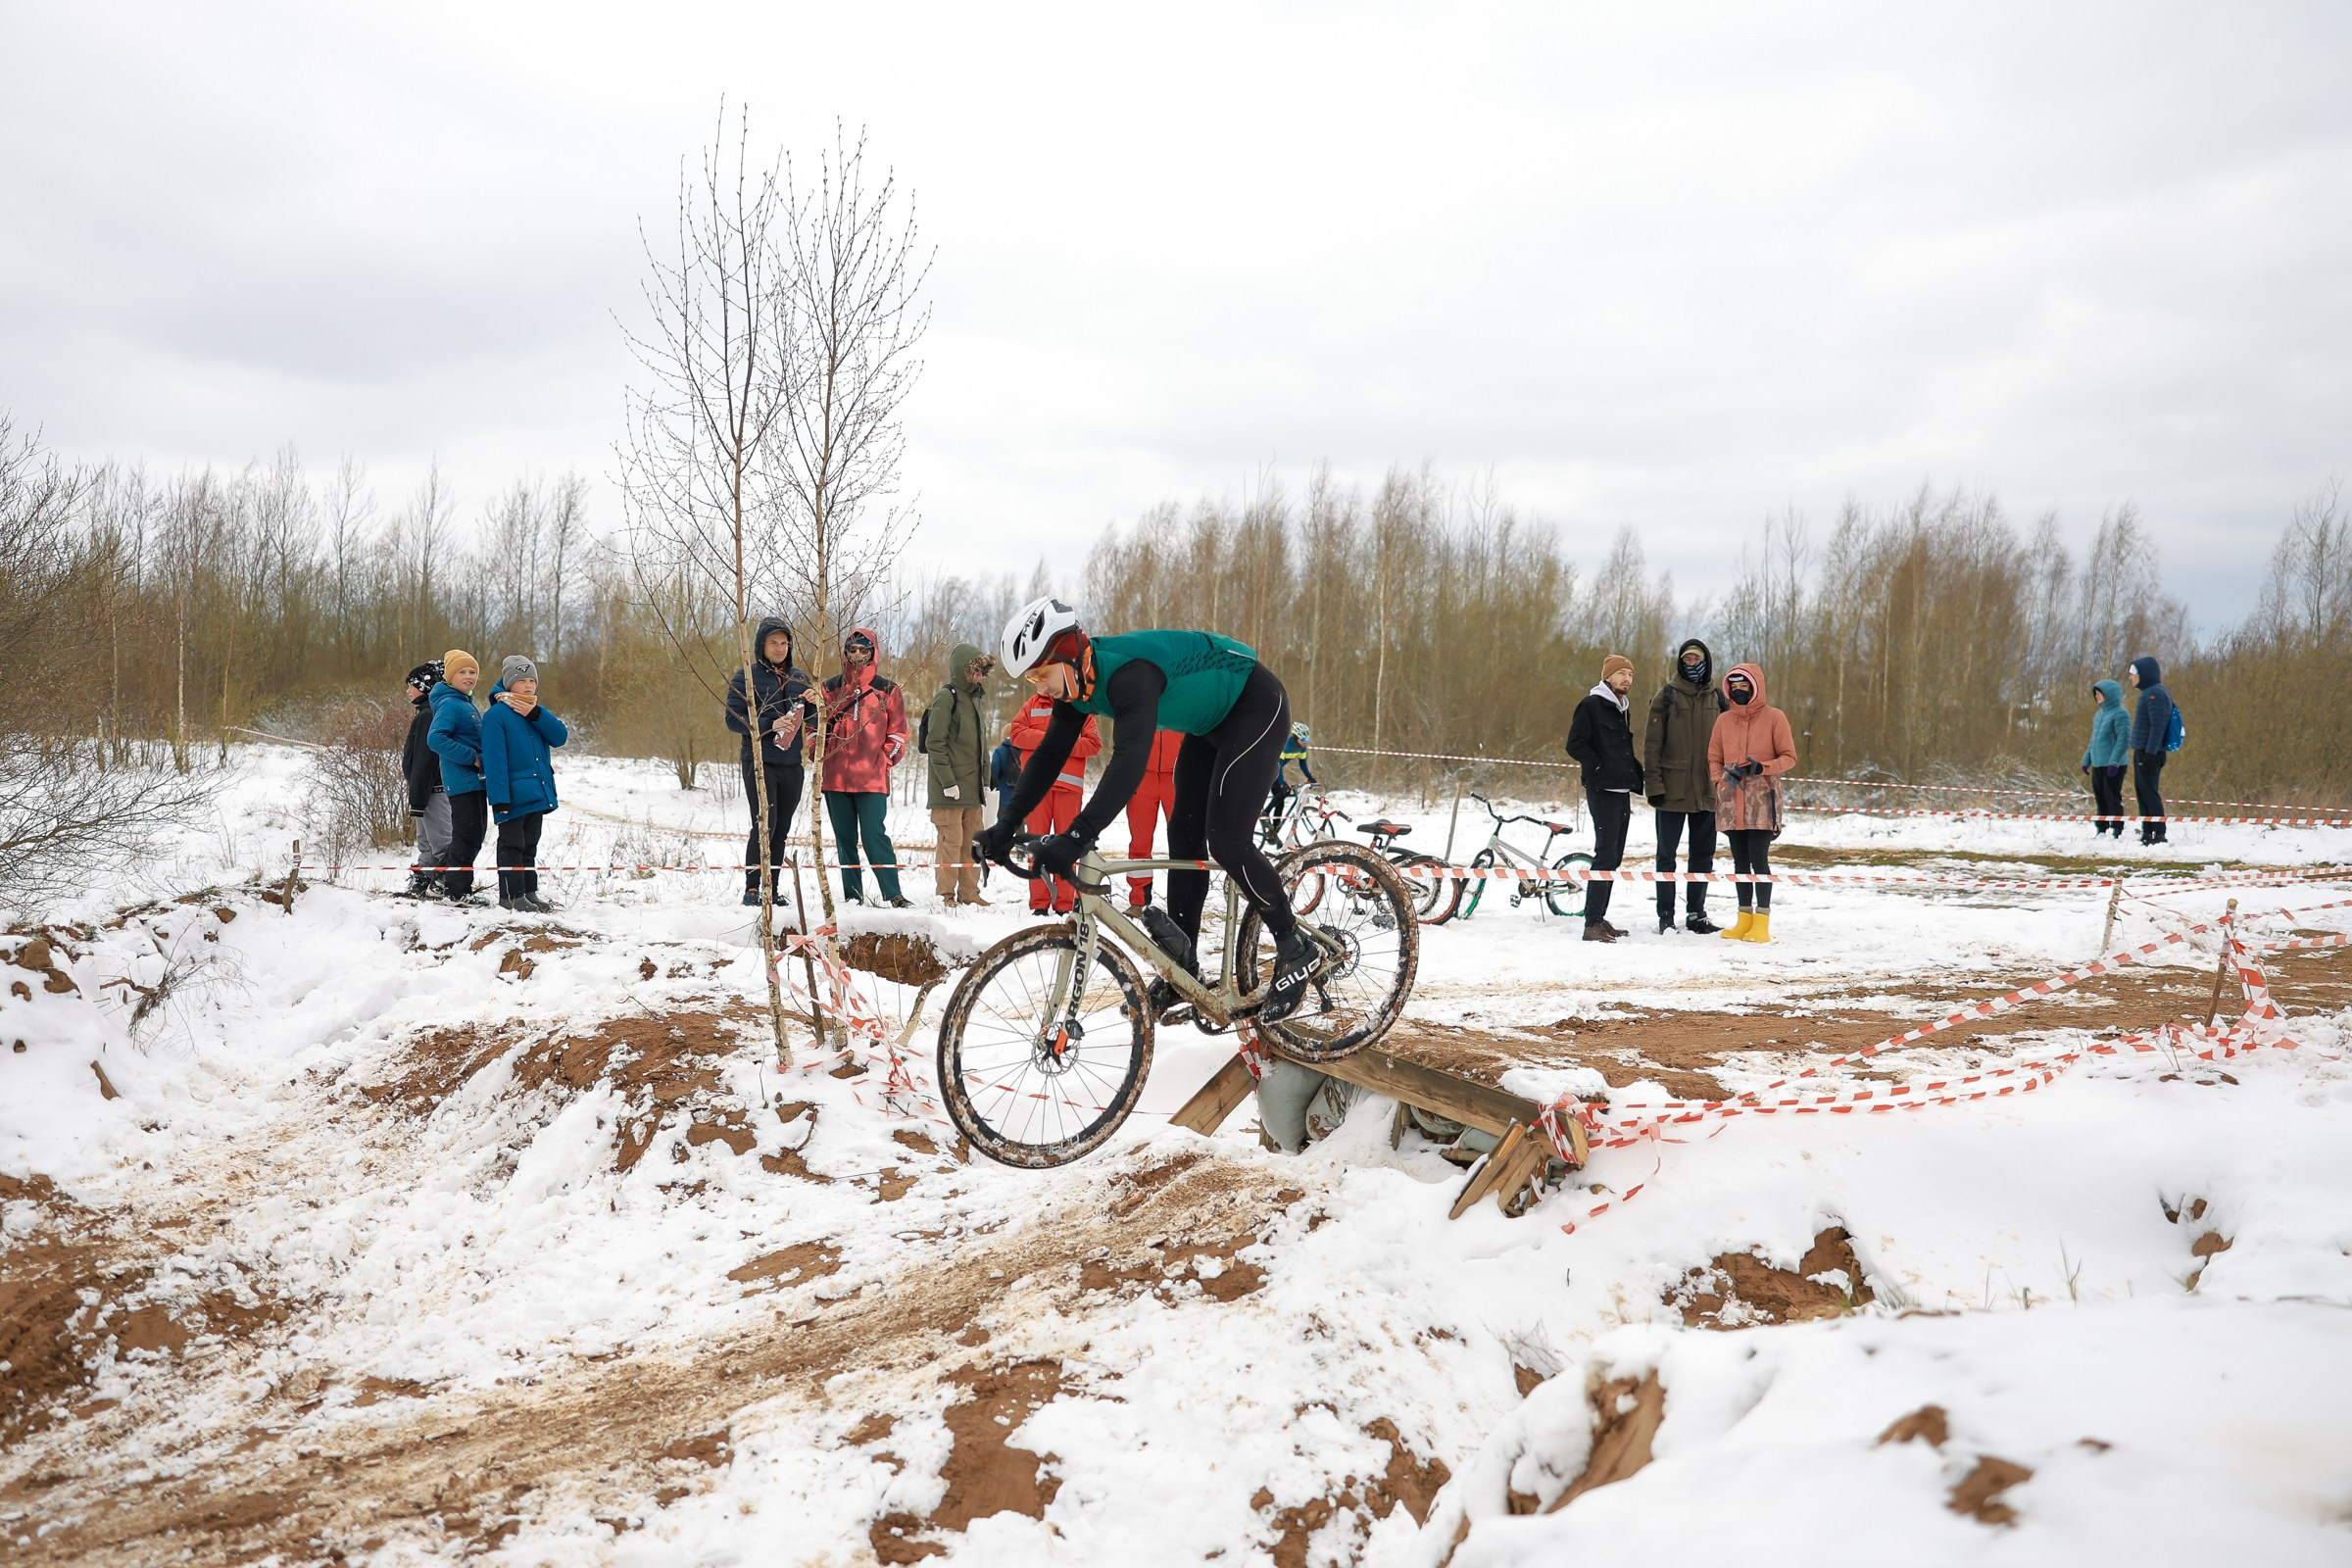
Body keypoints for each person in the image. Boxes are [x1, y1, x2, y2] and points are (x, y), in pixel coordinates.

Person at [973, 599, 1326, 1030]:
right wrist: (1006, 825)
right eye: (1032, 679)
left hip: (1255, 705)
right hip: (1208, 724)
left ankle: (1295, 946)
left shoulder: (1129, 674)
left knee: (1227, 841)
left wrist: (1078, 835)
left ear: (1068, 652)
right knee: (1184, 835)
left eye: (1041, 675)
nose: (1040, 688)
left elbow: (1128, 763)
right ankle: (1184, 965)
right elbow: (1048, 757)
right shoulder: (1077, 690)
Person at [725, 616, 816, 908]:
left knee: (782, 829)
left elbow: (814, 719)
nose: (779, 648)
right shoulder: (746, 677)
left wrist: (815, 702)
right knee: (765, 824)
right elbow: (733, 718)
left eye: (783, 643)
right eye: (773, 643)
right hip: (759, 761)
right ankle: (753, 888)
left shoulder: (799, 677)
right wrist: (768, 722)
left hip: (792, 763)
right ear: (761, 645)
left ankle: (772, 889)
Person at [817, 627, 912, 907]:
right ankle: (852, 898)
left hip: (872, 779)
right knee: (844, 840)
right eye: (853, 649)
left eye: (864, 649)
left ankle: (893, 894)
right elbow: (815, 727)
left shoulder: (888, 689)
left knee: (874, 836)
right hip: (835, 778)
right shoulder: (829, 688)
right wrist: (817, 751)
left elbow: (899, 733)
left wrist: (885, 759)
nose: (858, 654)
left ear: (873, 651)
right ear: (845, 652)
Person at [1708, 662, 1796, 944]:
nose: (1738, 691)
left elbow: (1789, 757)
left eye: (1743, 686)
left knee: (1759, 859)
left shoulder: (1775, 718)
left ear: (1755, 687)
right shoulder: (1723, 720)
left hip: (1762, 799)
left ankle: (1762, 921)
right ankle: (1743, 919)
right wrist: (1718, 780)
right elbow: (1713, 756)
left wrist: (1762, 767)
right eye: (1733, 687)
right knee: (1739, 861)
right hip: (1731, 800)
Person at [1642, 638, 1725, 935]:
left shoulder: (1718, 697)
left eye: (1696, 659)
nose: (1692, 664)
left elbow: (1728, 744)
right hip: (1671, 791)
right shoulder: (1666, 696)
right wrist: (1653, 784)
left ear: (1706, 661)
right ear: (1680, 662)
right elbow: (1652, 746)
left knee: (1703, 856)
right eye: (1687, 659)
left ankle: (1696, 914)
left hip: (1707, 791)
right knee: (1666, 855)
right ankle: (1666, 916)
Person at [1007, 676, 1102, 913]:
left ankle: (1064, 904)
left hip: (1068, 790)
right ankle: (1039, 905)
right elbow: (1016, 734)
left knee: (1066, 847)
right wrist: (1049, 740)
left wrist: (1062, 743)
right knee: (1035, 846)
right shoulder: (1032, 704)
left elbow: (1094, 744)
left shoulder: (1080, 705)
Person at [1565, 654, 1642, 943]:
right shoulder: (1591, 705)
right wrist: (1598, 766)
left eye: (1630, 675)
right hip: (1602, 790)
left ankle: (1600, 917)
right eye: (1621, 673)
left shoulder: (1622, 707)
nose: (1627, 679)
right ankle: (1591, 923)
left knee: (1615, 857)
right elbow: (1575, 744)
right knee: (1605, 855)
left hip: (1622, 791)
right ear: (1608, 676)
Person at [481, 656, 567, 912]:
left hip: (536, 791)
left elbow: (560, 736)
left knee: (530, 845)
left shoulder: (534, 710)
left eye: (532, 680)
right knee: (512, 845)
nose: (528, 686)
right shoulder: (497, 715)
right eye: (521, 681)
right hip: (511, 795)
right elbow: (494, 760)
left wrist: (536, 714)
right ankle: (511, 896)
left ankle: (529, 893)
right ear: (509, 684)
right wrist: (499, 799)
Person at [923, 643, 997, 906]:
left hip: (972, 788)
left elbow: (981, 745)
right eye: (973, 672)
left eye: (981, 672)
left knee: (972, 845)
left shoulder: (976, 698)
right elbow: (935, 743)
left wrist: (986, 782)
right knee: (951, 843)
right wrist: (947, 782)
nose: (978, 677)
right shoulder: (946, 696)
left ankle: (970, 894)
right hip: (950, 789)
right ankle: (946, 895)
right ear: (961, 670)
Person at [427, 650, 489, 904]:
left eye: (472, 672)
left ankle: (441, 881)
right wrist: (472, 757)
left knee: (473, 834)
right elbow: (436, 738)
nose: (468, 676)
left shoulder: (464, 703)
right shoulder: (451, 704)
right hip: (462, 781)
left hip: (474, 781)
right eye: (462, 672)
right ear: (450, 678)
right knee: (468, 835)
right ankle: (457, 892)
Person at [400, 661, 448, 900]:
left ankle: (446, 884)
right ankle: (424, 882)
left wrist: (418, 799)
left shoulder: (429, 715)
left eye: (412, 685)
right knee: (426, 843)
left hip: (434, 790)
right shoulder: (425, 713)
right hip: (425, 790)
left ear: (426, 686)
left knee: (440, 842)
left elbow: (425, 760)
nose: (408, 691)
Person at [1121, 729, 1183, 909]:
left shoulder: (1181, 701)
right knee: (1140, 842)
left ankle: (1182, 903)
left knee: (1182, 843)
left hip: (1176, 775)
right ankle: (1138, 900)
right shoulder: (1140, 700)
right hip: (1142, 776)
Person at [2127, 656, 2175, 846]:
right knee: (2142, 791)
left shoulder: (2156, 693)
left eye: (2133, 673)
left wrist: (2150, 754)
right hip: (2142, 750)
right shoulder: (2148, 693)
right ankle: (2148, 831)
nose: (2130, 677)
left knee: (2150, 792)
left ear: (2144, 674)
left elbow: (2158, 727)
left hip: (2150, 752)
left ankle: (2159, 833)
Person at [2082, 678, 2131, 838]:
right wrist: (2086, 759)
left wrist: (2115, 761)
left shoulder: (2121, 713)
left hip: (2114, 764)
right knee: (2100, 797)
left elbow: (2124, 740)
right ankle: (2101, 828)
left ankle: (2117, 829)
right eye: (2095, 693)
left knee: (2112, 796)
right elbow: (2093, 739)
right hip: (2098, 763)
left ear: (2109, 694)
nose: (2096, 696)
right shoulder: (2098, 715)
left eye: (2099, 693)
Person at [1267, 721, 1318, 831]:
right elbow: (1278, 766)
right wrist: (1281, 784)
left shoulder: (1302, 748)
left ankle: (1273, 831)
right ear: (1297, 737)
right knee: (1283, 792)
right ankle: (1265, 813)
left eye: (1307, 740)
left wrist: (1310, 777)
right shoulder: (1286, 746)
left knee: (1280, 800)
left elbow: (1302, 764)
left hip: (1274, 770)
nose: (1305, 742)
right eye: (1304, 740)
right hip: (1268, 769)